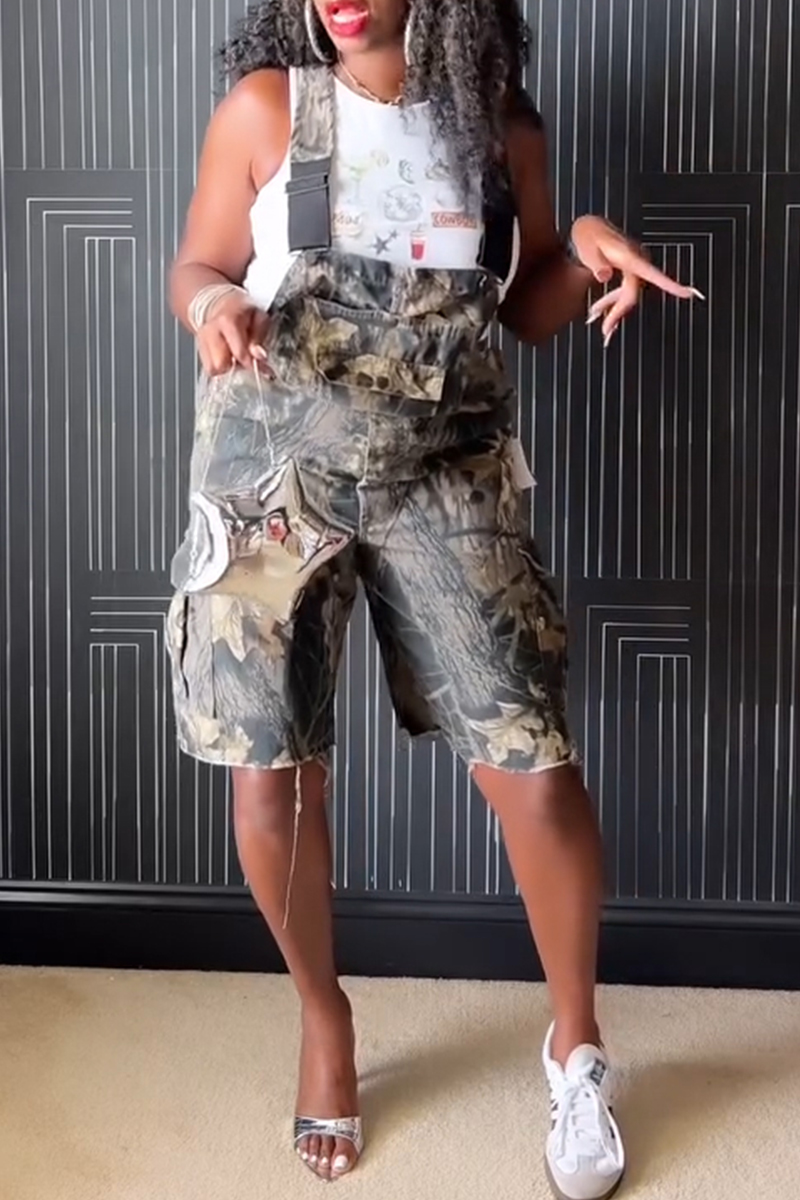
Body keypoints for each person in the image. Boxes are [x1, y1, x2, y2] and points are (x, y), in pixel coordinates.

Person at [167, 1, 700, 1195]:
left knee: (535, 766)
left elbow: (526, 305)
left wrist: (583, 252)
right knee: (269, 777)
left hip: (446, 471)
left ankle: (575, 1048)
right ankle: (324, 1019)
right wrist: (213, 306)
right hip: (272, 473)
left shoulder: (499, 130)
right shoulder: (266, 109)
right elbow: (196, 262)